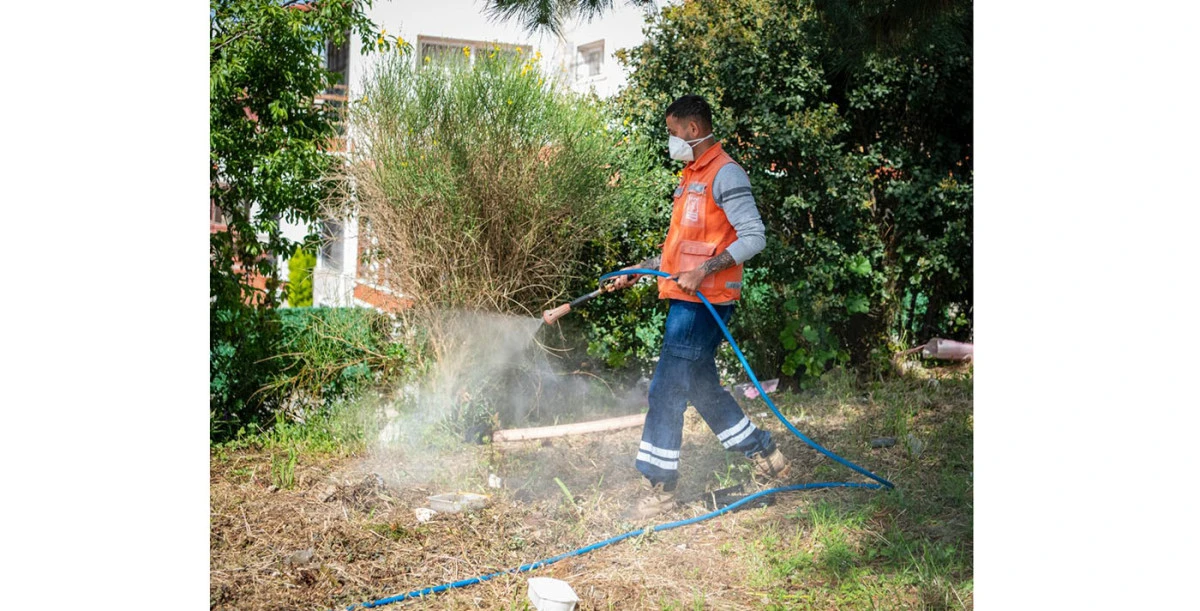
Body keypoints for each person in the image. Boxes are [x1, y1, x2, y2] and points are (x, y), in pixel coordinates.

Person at [606, 94, 790, 520]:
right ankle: (766, 455)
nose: (671, 141)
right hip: (686, 298)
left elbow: (754, 237)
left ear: (692, 129)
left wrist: (706, 269)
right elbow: (681, 251)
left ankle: (660, 487)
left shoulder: (726, 174)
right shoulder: (691, 176)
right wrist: (643, 268)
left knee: (666, 388)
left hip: (704, 304)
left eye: (673, 132)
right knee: (700, 386)